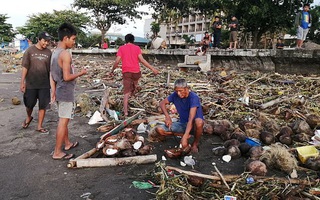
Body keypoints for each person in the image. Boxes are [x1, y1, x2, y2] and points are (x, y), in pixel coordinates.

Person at [50, 23, 87, 160]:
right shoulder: (65, 54)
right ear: (65, 38)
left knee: (63, 119)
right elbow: (66, 77)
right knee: (63, 121)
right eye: (73, 39)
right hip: (65, 92)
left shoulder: (55, 53)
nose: (74, 42)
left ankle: (67, 144)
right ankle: (57, 152)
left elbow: (51, 74)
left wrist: (53, 91)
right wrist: (81, 73)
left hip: (59, 91)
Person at [111, 33, 159, 117]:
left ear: (125, 40)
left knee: (126, 92)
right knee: (134, 86)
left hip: (127, 73)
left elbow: (117, 61)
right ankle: (134, 97)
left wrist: (112, 70)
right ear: (133, 40)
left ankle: (126, 112)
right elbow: (142, 60)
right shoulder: (137, 48)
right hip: (136, 72)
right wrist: (152, 69)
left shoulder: (122, 48)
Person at [155, 79, 204, 153]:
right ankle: (183, 135)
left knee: (199, 122)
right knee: (159, 129)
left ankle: (195, 143)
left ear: (186, 88)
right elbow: (162, 103)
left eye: (181, 91)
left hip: (193, 125)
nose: (178, 93)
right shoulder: (175, 95)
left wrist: (186, 136)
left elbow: (191, 119)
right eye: (177, 91)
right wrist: (167, 117)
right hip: (183, 124)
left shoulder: (193, 97)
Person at [20, 31, 52, 133]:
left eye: (48, 41)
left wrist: (52, 84)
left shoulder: (49, 53)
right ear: (38, 39)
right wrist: (22, 82)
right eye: (44, 41)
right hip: (31, 83)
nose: (46, 43)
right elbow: (25, 67)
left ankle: (39, 126)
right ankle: (29, 117)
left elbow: (50, 70)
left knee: (43, 105)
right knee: (29, 105)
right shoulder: (29, 51)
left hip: (44, 84)